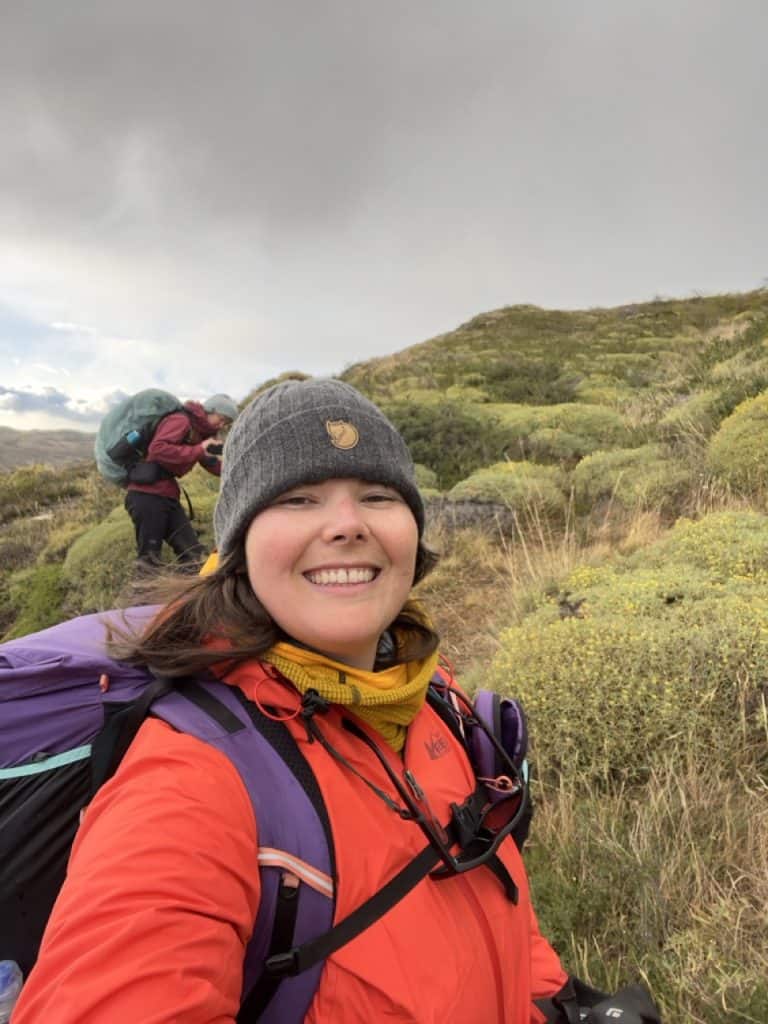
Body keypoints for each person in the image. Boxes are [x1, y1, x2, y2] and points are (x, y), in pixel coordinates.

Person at [13, 379, 619, 1023]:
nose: (347, 525)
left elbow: (490, 893)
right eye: (298, 499)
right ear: (237, 549)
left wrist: (553, 1002)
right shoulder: (192, 781)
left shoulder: (434, 693)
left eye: (378, 496)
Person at [124, 392, 239, 571]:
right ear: (211, 410)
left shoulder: (200, 433)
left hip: (167, 495)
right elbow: (158, 449)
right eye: (222, 419)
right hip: (146, 496)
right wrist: (200, 449)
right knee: (149, 561)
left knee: (193, 554)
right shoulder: (181, 421)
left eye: (227, 423)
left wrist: (239, 470)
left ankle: (190, 597)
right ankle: (143, 598)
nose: (222, 424)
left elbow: (211, 463)